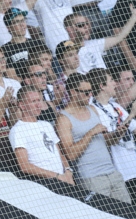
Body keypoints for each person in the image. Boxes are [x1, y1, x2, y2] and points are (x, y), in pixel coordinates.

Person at [56, 72, 132, 203]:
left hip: (112, 172)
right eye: (86, 92)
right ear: (73, 92)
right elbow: (70, 154)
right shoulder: (63, 119)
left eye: (91, 91)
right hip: (91, 178)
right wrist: (91, 133)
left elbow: (104, 141)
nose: (90, 95)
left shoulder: (92, 109)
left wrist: (116, 135)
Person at [88, 69, 136, 202]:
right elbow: (111, 139)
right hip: (121, 172)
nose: (115, 83)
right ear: (102, 86)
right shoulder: (93, 110)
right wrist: (132, 114)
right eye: (111, 81)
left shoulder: (115, 106)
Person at [10, 87, 74, 185]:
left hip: (64, 178)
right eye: (33, 101)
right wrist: (57, 176)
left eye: (39, 100)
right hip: (44, 182)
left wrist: (68, 171)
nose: (38, 104)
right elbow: (25, 166)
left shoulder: (46, 125)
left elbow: (59, 153)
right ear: (22, 105)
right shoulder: (17, 130)